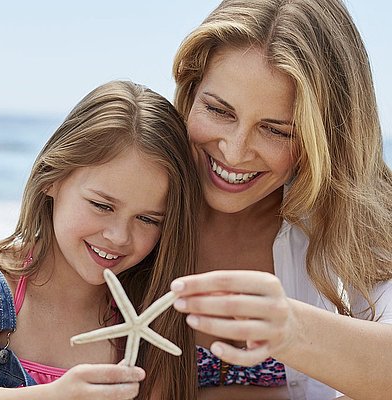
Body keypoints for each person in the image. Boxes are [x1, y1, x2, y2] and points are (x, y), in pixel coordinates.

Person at [134, 0, 392, 399]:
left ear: (325, 138)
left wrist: (293, 330)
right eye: (218, 110)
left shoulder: (362, 225)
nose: (235, 152)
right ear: (191, 87)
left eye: (276, 131)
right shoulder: (131, 202)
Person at [0, 80, 200, 400]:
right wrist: (58, 394)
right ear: (53, 178)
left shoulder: (148, 308)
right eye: (102, 205)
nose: (118, 236)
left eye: (148, 219)